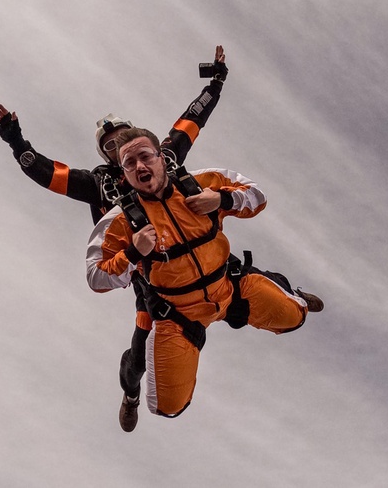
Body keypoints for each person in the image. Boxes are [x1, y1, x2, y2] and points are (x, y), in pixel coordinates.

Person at [0, 46, 231, 430]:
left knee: (238, 274)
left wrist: (216, 83)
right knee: (140, 354)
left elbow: (190, 122)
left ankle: (288, 297)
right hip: (147, 274)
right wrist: (15, 140)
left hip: (196, 251)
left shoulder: (162, 157)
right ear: (108, 156)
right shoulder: (98, 183)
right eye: (112, 147)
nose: (122, 150)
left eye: (124, 139)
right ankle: (131, 392)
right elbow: (47, 172)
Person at [86, 127, 323, 418]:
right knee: (166, 406)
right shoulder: (118, 219)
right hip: (177, 312)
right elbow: (95, 277)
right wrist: (134, 252)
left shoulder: (198, 184)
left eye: (145, 156)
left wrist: (222, 200)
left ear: (162, 158)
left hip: (229, 286)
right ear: (122, 173)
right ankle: (130, 394)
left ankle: (285, 288)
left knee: (294, 318)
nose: (139, 166)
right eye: (129, 163)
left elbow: (257, 196)